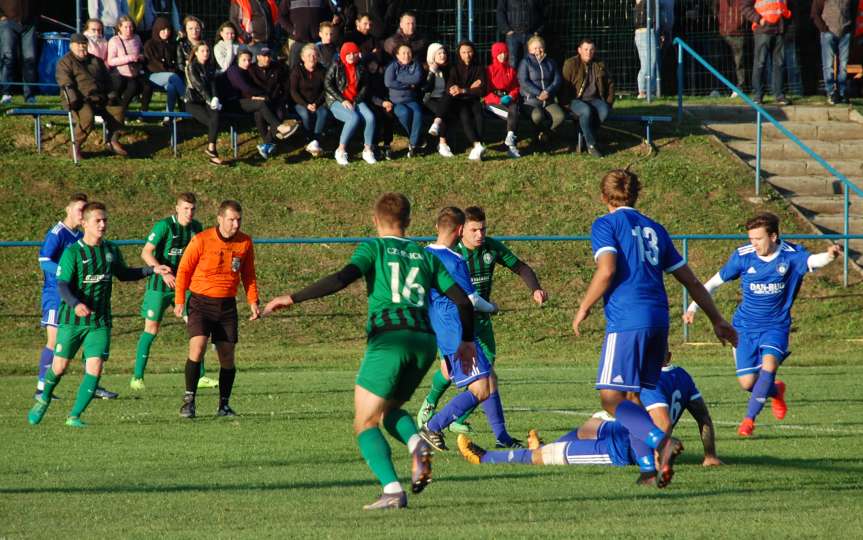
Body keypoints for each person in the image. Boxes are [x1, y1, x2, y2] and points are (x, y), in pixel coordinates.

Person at [263, 192, 476, 510]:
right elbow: (462, 300)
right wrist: (467, 342)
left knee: (365, 422)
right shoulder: (427, 256)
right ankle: (418, 444)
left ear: (376, 220)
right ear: (408, 221)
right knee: (388, 411)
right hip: (423, 343)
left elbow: (341, 279)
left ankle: (392, 490)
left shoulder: (373, 248)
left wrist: (292, 297)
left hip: (390, 340)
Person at [572, 169, 736, 487]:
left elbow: (606, 271)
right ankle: (650, 469)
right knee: (633, 397)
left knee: (610, 398)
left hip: (627, 320)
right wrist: (717, 319)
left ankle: (661, 442)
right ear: (637, 195)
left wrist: (584, 306)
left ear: (604, 197)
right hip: (659, 319)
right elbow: (690, 280)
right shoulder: (655, 229)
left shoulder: (606, 224)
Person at [683, 212, 842, 437]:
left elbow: (813, 261)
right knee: (748, 383)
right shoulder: (743, 256)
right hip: (744, 328)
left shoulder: (791, 255)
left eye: (758, 239)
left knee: (768, 367)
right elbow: (713, 282)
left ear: (774, 236)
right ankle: (776, 391)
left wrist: (830, 256)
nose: (754, 244)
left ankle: (748, 420)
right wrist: (692, 308)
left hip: (776, 326)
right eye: (751, 239)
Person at [27, 202, 171, 428]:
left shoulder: (110, 250)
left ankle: (74, 416)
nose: (103, 224)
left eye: (105, 220)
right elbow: (62, 284)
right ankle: (44, 397)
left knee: (95, 367)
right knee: (60, 367)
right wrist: (75, 304)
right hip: (72, 320)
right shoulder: (72, 252)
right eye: (98, 220)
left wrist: (152, 269)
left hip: (100, 321)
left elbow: (124, 274)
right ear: (84, 223)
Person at [457, 355, 723, 477]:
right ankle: (549, 445)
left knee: (544, 458)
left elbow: (662, 422)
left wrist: (657, 458)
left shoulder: (650, 384)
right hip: (623, 429)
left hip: (621, 450)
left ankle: (486, 458)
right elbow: (703, 418)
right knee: (592, 424)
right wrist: (710, 455)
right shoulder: (682, 374)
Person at [417, 206, 548, 437]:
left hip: (478, 324)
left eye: (483, 229)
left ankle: (498, 435)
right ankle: (431, 413)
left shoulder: (488, 247)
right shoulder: (452, 256)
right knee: (457, 375)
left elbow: (520, 266)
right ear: (461, 231)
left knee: (488, 377)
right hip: (458, 323)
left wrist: (535, 288)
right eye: (474, 230)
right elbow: (470, 299)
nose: (480, 234)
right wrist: (492, 307)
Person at [174, 200, 260, 419]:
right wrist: (179, 301)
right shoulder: (202, 240)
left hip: (227, 306)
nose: (236, 224)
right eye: (231, 219)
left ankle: (224, 405)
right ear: (220, 219)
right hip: (201, 303)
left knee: (227, 356)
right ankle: (189, 401)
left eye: (239, 219)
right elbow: (183, 270)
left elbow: (248, 274)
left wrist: (253, 301)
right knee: (198, 346)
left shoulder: (245, 243)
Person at [131, 193, 207, 390]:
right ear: (177, 208)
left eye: (193, 209)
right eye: (186, 208)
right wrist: (162, 271)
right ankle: (137, 377)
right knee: (152, 329)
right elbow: (146, 252)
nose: (189, 213)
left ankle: (201, 376)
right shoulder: (164, 226)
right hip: (159, 286)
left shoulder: (196, 228)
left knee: (197, 327)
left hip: (184, 286)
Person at [34, 194, 89, 399]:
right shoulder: (57, 233)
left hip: (72, 295)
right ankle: (41, 388)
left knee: (86, 337)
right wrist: (63, 273)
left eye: (85, 211)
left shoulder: (78, 236)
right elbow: (44, 260)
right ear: (68, 210)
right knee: (54, 341)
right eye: (79, 210)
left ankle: (93, 384)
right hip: (55, 295)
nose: (82, 214)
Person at [56, 33, 128, 158]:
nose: (82, 48)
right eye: (78, 45)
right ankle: (75, 146)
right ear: (71, 46)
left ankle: (113, 140)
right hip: (79, 98)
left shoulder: (96, 61)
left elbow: (108, 81)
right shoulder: (65, 62)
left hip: (100, 97)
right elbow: (65, 82)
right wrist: (73, 100)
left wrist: (111, 95)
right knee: (87, 118)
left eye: (84, 45)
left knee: (118, 110)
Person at [325, 41, 378, 165]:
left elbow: (365, 85)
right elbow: (327, 84)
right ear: (343, 54)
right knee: (353, 118)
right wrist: (342, 100)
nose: (351, 56)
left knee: (370, 117)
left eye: (354, 53)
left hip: (355, 100)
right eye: (348, 53)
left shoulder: (360, 66)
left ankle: (367, 150)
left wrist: (356, 100)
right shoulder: (336, 65)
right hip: (336, 100)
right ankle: (340, 150)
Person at [226, 49, 286, 159]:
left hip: (250, 100)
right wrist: (261, 96)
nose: (247, 63)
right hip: (232, 103)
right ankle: (279, 127)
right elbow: (245, 88)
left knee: (261, 109)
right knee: (261, 105)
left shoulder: (246, 70)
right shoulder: (234, 70)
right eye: (244, 60)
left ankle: (266, 145)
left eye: (249, 60)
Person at [561, 38, 615, 158]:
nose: (588, 52)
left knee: (604, 111)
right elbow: (563, 86)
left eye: (591, 49)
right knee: (586, 111)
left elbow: (610, 83)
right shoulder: (570, 63)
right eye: (585, 49)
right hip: (575, 99)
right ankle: (591, 145)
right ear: (579, 50)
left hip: (594, 99)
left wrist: (609, 102)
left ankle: (584, 135)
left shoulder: (600, 64)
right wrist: (565, 104)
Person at [184, 42, 227, 165]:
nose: (205, 53)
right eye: (202, 51)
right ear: (196, 52)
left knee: (216, 116)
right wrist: (210, 99)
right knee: (212, 122)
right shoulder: (192, 67)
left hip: (208, 101)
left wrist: (216, 98)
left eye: (207, 51)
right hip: (193, 102)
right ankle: (213, 153)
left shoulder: (210, 66)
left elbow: (213, 84)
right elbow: (199, 86)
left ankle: (211, 149)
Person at [743, 0, 793, 105]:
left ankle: (779, 95)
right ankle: (758, 95)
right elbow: (745, 7)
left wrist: (787, 20)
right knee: (760, 63)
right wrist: (759, 19)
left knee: (779, 63)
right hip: (763, 30)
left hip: (779, 29)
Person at [518, 35, 564, 146]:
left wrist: (548, 92)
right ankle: (539, 138)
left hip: (549, 100)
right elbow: (523, 81)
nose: (538, 50)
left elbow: (557, 79)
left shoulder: (551, 62)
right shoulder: (525, 62)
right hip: (531, 101)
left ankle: (544, 134)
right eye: (535, 48)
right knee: (537, 116)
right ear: (529, 49)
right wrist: (538, 93)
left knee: (560, 117)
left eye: (540, 47)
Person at [448, 41, 487, 161]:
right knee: (464, 116)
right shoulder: (454, 68)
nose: (467, 55)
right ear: (459, 53)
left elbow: (482, 90)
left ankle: (478, 144)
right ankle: (477, 145)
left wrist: (464, 90)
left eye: (469, 52)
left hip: (473, 99)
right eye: (463, 52)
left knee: (479, 114)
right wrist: (470, 88)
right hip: (459, 101)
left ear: (473, 52)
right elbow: (451, 87)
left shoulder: (479, 67)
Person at [250, 47, 300, 138]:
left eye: (268, 56)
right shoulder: (251, 69)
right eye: (264, 56)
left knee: (280, 114)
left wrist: (284, 98)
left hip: (276, 99)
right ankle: (269, 139)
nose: (267, 58)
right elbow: (249, 87)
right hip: (260, 100)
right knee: (259, 114)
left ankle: (267, 141)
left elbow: (285, 84)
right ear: (258, 57)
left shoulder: (277, 67)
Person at [290, 43, 330, 157]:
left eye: (314, 55)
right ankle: (309, 139)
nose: (312, 58)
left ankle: (316, 141)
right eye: (308, 55)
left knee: (323, 113)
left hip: (318, 102)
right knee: (306, 115)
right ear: (303, 57)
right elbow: (293, 91)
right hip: (300, 102)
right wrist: (306, 105)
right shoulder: (297, 70)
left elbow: (325, 90)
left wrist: (316, 104)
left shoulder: (322, 70)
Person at [385, 44, 425, 156]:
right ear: (397, 55)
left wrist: (399, 79)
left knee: (418, 113)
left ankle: (413, 145)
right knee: (404, 113)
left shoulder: (415, 65)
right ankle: (416, 138)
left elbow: (417, 79)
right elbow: (388, 82)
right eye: (403, 53)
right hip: (396, 101)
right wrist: (408, 85)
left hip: (411, 99)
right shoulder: (392, 66)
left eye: (409, 53)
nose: (406, 55)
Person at [812, 0, 854, 104]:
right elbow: (814, 14)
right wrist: (824, 29)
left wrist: (849, 28)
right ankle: (831, 92)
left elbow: (852, 10)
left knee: (843, 65)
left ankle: (842, 92)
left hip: (845, 32)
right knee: (828, 64)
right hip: (828, 33)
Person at [484, 41, 521, 159]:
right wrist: (498, 100)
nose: (503, 55)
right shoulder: (489, 70)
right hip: (492, 104)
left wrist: (511, 96)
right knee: (514, 115)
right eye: (499, 53)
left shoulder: (510, 70)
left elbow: (515, 87)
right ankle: (512, 148)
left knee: (514, 109)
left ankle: (510, 137)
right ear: (494, 54)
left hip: (507, 100)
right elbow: (486, 91)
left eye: (505, 53)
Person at [142, 16, 185, 116]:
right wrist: (169, 70)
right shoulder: (149, 44)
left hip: (169, 77)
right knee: (173, 77)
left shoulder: (172, 44)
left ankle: (168, 115)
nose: (166, 32)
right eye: (163, 29)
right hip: (153, 76)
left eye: (168, 29)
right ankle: (186, 98)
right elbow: (152, 64)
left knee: (172, 87)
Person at [107, 16, 147, 111]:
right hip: (119, 72)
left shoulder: (137, 38)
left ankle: (123, 109)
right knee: (120, 86)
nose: (129, 29)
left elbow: (142, 51)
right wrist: (129, 58)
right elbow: (111, 61)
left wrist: (140, 57)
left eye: (131, 27)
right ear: (119, 27)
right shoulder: (114, 41)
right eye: (126, 27)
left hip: (134, 71)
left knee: (136, 87)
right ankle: (118, 109)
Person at [279, 0, 335, 67]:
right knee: (294, 68)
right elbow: (281, 16)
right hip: (296, 40)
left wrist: (322, 30)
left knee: (318, 68)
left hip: (317, 41)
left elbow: (329, 13)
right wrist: (293, 30)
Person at [422, 43, 454, 158]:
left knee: (447, 100)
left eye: (444, 53)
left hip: (444, 99)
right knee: (444, 112)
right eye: (439, 53)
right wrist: (431, 72)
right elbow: (424, 89)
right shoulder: (425, 68)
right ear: (432, 56)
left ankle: (436, 124)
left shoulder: (447, 69)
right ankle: (442, 143)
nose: (443, 55)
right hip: (429, 99)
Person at [496, 0, 546, 68]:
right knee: (512, 62)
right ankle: (511, 78)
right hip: (513, 34)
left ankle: (527, 78)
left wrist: (538, 31)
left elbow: (542, 12)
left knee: (530, 61)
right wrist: (506, 29)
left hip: (531, 34)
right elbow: (500, 11)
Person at [717, 0, 748, 96]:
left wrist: (738, 23)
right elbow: (715, 9)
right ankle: (726, 88)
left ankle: (740, 87)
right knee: (725, 63)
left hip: (737, 33)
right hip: (724, 32)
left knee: (739, 63)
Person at [634, 0, 660, 99]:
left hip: (643, 31)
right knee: (650, 62)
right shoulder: (647, 2)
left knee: (648, 62)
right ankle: (643, 91)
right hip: (646, 31)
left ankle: (648, 91)